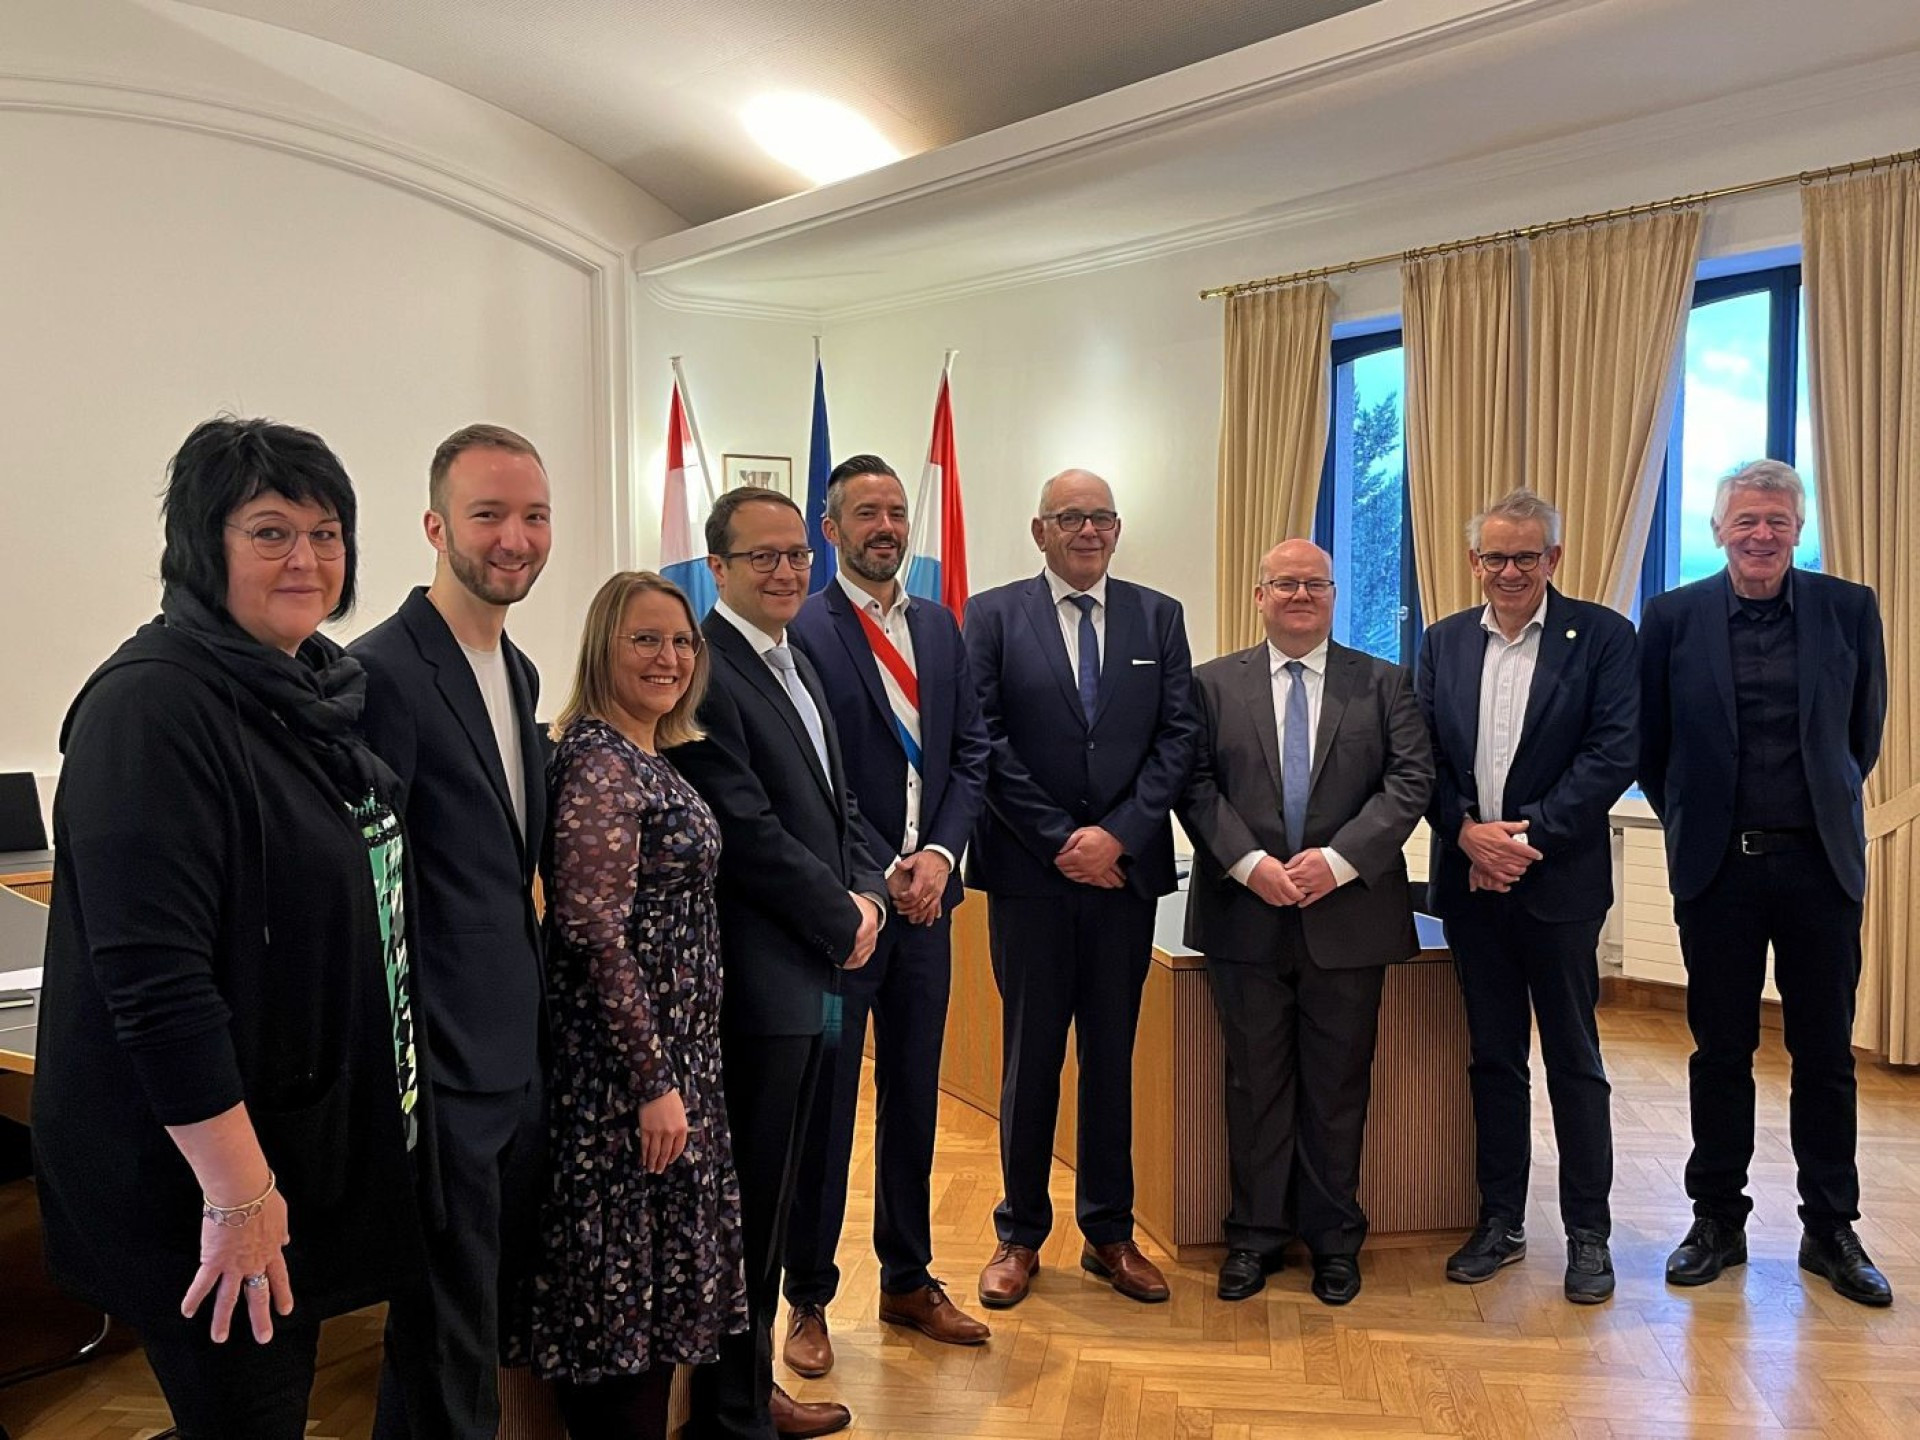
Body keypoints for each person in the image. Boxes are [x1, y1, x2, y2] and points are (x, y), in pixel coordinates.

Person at [33, 417, 422, 1439]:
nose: (307, 559)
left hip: (294, 1148)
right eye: (270, 532)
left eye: (326, 533)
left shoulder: (313, 691)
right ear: (204, 547)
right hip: (202, 1186)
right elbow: (157, 987)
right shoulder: (151, 708)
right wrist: (240, 1196)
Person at [1639, 459, 1891, 1307]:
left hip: (1821, 867)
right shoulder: (1671, 617)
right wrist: (1694, 820)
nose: (1761, 534)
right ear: (1718, 530)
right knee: (1720, 1052)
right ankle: (1718, 1220)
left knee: (1825, 1054)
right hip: (1718, 870)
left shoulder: (1849, 608)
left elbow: (1862, 735)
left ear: (1798, 530)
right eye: (1745, 519)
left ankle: (1831, 1228)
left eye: (1777, 520)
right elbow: (1651, 747)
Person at [669, 485, 887, 1440]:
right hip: (758, 989)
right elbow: (746, 832)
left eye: (798, 553)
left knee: (786, 1183)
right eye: (763, 557)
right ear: (717, 568)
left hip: (815, 976)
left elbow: (837, 809)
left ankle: (753, 1389)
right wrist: (842, 916)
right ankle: (734, 1409)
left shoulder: (794, 659)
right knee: (752, 1204)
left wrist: (868, 894)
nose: (788, 570)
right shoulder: (708, 670)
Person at [351, 424, 553, 1438]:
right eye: (488, 515)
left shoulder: (519, 672)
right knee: (446, 1338)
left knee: (467, 1329)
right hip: (437, 1070)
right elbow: (371, 897)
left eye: (534, 516)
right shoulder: (378, 672)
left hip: (513, 1054)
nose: (515, 538)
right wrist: (415, 1073)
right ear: (435, 527)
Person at [780, 456, 993, 1378]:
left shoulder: (940, 626)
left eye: (897, 512)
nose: (886, 527)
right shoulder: (804, 628)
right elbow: (811, 775)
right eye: (866, 512)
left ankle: (908, 1278)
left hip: (928, 916)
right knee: (827, 1109)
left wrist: (939, 858)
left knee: (915, 1096)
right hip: (845, 922)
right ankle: (808, 1296)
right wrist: (881, 875)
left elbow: (972, 754)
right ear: (830, 530)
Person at [965, 469, 1196, 1310]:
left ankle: (1109, 1232)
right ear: (1040, 531)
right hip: (1031, 876)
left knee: (1110, 1058)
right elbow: (982, 738)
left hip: (1123, 880)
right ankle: (1019, 1234)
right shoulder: (991, 616)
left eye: (1101, 517)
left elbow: (1178, 738)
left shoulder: (1158, 616)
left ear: (1117, 528)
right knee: (1030, 1059)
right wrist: (1062, 840)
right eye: (1071, 517)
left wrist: (1118, 835)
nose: (1088, 531)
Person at [1180, 539, 1431, 1307]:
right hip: (1244, 914)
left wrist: (1340, 860)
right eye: (1284, 583)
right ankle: (1253, 1238)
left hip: (1348, 917)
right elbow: (1193, 785)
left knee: (1337, 1086)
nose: (1299, 595)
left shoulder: (1384, 683)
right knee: (1253, 1084)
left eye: (1314, 584)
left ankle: (1333, 1240)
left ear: (1333, 595)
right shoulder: (1210, 685)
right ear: (1259, 596)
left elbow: (1410, 780)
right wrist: (1249, 863)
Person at [527, 571, 748, 1438]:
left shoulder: (647, 754)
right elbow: (591, 933)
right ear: (603, 649)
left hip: (675, 1064)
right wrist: (654, 1081)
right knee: (620, 1315)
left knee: (654, 1311)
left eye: (682, 641)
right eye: (646, 639)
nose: (670, 657)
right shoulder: (597, 761)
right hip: (624, 1084)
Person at [1415, 490, 1637, 1305]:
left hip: (1560, 886)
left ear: (1554, 559)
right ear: (1473, 561)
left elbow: (1614, 753)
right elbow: (1422, 756)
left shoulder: (1604, 637)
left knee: (1575, 1061)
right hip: (1470, 886)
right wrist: (1466, 834)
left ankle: (1588, 1234)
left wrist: (1520, 841)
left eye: (1526, 557)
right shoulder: (1443, 641)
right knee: (1493, 1058)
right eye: (1495, 557)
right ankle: (1500, 1220)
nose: (1510, 571)